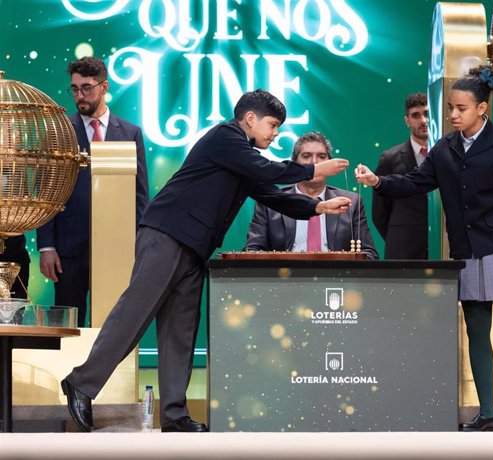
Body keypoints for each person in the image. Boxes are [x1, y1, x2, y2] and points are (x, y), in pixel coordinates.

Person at [61, 89, 351, 433]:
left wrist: (317, 207)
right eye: (273, 125)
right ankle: (81, 382)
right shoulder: (225, 137)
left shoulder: (244, 157)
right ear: (249, 119)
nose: (275, 133)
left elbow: (272, 194)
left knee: (181, 330)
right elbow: (269, 172)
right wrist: (313, 169)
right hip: (167, 233)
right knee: (134, 313)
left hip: (195, 246)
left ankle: (173, 414)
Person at [356, 66, 493, 432]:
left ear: (482, 109)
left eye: (461, 108)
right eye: (451, 108)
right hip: (469, 250)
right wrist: (379, 181)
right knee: (476, 330)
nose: (453, 115)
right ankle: (488, 413)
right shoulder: (444, 149)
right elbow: (414, 183)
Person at [36, 56, 149, 327]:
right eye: (74, 89)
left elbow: (140, 196)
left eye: (86, 88)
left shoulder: (130, 133)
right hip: (67, 251)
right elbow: (47, 191)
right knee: (65, 327)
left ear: (104, 86)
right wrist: (47, 246)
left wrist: (139, 245)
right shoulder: (61, 131)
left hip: (116, 249)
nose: (80, 96)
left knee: (113, 326)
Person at [244, 131, 378, 260]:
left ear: (330, 163)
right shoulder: (271, 201)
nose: (315, 162)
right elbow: (252, 250)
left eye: (322, 156)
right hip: (285, 278)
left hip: (336, 278)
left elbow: (369, 254)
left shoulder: (350, 202)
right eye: (306, 156)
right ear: (294, 163)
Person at [372, 93, 429, 259]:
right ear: (407, 121)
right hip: (404, 251)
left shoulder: (448, 154)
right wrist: (399, 239)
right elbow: (380, 214)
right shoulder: (390, 158)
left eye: (427, 114)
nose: (423, 120)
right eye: (416, 115)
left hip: (444, 248)